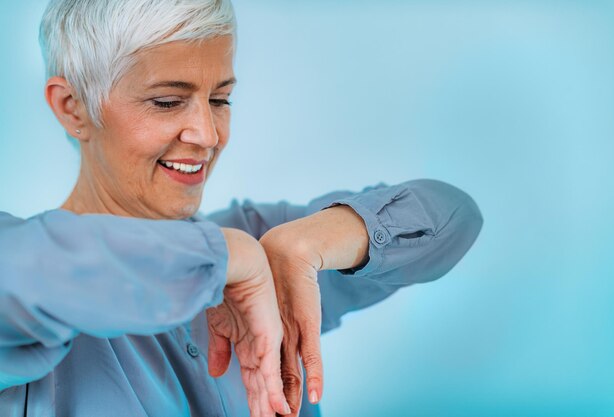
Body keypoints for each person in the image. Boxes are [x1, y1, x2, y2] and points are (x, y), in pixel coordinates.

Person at [0, 0, 484, 416]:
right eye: (167, 102)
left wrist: (308, 242)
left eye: (220, 99)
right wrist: (224, 257)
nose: (208, 136)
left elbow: (453, 218)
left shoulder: (264, 244)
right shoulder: (29, 277)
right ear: (72, 107)